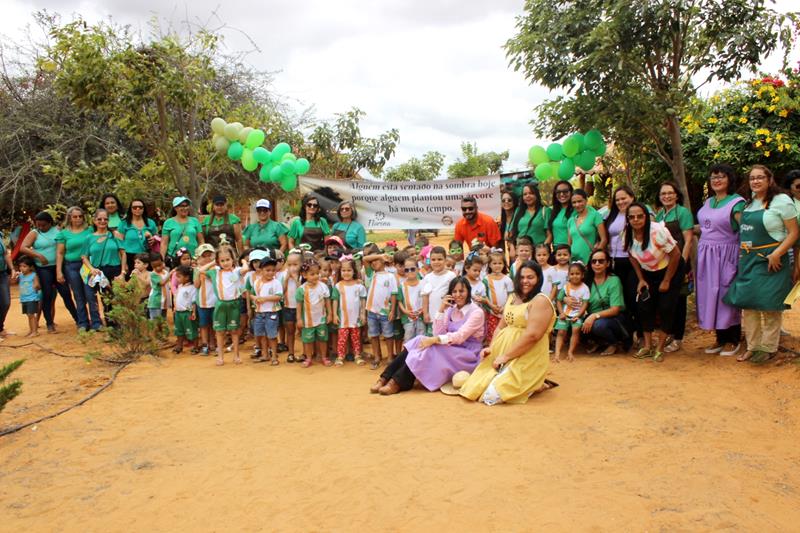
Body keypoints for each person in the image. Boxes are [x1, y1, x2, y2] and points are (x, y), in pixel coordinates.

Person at [724, 165, 799, 362]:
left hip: (773, 259)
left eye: (760, 177)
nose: (755, 181)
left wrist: (777, 253)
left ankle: (768, 347)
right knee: (749, 304)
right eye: (752, 178)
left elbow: (794, 233)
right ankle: (752, 346)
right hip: (749, 260)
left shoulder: (782, 201)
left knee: (770, 304)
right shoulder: (749, 203)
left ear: (769, 180)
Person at [459, 261, 556, 405]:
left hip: (527, 355)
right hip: (503, 351)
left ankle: (535, 385)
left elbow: (533, 336)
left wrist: (505, 357)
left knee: (490, 397)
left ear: (538, 279)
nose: (525, 281)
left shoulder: (540, 301)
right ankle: (532, 383)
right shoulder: (513, 297)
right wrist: (491, 348)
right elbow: (500, 326)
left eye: (530, 277)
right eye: (522, 277)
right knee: (474, 388)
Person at [371, 276, 485, 395]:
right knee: (418, 340)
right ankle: (385, 377)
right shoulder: (451, 309)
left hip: (467, 353)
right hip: (452, 347)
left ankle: (397, 382)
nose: (458, 295)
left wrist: (434, 340)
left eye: (461, 291)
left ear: (468, 291)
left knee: (431, 348)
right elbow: (439, 333)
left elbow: (460, 336)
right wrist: (441, 309)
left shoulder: (477, 312)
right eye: (454, 291)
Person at [696, 164, 746, 356]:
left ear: (729, 179)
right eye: (713, 177)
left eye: (721, 177)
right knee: (711, 295)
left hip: (726, 255)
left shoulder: (737, 203)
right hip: (707, 256)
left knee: (726, 294)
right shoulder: (709, 202)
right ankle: (720, 338)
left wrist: (743, 254)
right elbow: (704, 227)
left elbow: (744, 229)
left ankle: (733, 339)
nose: (717, 180)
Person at [625, 202, 682, 362]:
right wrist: (641, 279)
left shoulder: (657, 232)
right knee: (644, 306)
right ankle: (648, 346)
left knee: (666, 307)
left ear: (646, 216)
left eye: (640, 216)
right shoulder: (627, 235)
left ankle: (660, 348)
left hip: (670, 268)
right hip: (648, 272)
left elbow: (676, 254)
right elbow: (631, 256)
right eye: (632, 217)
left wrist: (667, 280)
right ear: (628, 219)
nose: (636, 220)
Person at [20, 211, 78, 332]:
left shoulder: (58, 230)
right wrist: (38, 255)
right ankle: (49, 323)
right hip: (43, 269)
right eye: (38, 225)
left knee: (66, 293)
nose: (41, 227)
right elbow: (23, 247)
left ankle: (78, 320)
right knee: (47, 295)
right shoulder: (34, 233)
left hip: (58, 267)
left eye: (44, 225)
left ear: (50, 223)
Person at [654, 181, 695, 353]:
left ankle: (678, 338)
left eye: (670, 193)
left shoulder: (683, 213)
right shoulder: (659, 215)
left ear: (677, 195)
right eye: (663, 194)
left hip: (679, 263)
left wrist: (682, 265)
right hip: (663, 264)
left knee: (679, 301)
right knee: (667, 301)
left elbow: (688, 240)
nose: (667, 196)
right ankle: (669, 333)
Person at [199, 245, 246, 366]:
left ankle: (236, 355)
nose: (225, 263)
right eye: (222, 260)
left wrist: (244, 262)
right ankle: (220, 356)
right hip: (221, 305)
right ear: (218, 261)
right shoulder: (215, 272)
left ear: (232, 259)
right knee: (220, 331)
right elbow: (201, 270)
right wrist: (213, 263)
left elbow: (245, 269)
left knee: (234, 330)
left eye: (228, 259)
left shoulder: (236, 271)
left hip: (234, 304)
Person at [604, 185, 640, 337]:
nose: (620, 202)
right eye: (617, 200)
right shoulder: (611, 215)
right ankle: (625, 334)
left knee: (633, 297)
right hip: (614, 261)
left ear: (632, 197)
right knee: (620, 299)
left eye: (624, 198)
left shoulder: (638, 213)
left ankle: (639, 332)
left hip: (633, 261)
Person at [580, 249, 631, 355]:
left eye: (601, 261)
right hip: (592, 317)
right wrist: (566, 299)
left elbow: (615, 310)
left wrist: (594, 316)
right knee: (575, 323)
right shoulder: (587, 280)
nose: (597, 264)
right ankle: (600, 342)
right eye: (594, 261)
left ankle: (614, 343)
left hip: (612, 319)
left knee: (599, 325)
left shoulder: (614, 280)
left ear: (608, 263)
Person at [56, 206, 98, 331]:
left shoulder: (89, 230)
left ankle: (96, 322)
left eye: (80, 216)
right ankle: (83, 323)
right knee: (78, 295)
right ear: (69, 218)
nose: (78, 219)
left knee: (90, 294)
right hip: (71, 266)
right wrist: (59, 271)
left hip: (87, 266)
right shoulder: (64, 233)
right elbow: (60, 253)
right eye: (75, 216)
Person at [81, 209, 126, 326]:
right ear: (94, 221)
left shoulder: (114, 235)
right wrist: (91, 269)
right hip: (100, 272)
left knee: (118, 297)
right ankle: (111, 326)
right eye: (99, 219)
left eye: (105, 219)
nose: (102, 221)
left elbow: (123, 253)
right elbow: (84, 256)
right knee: (106, 299)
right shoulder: (89, 238)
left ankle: (121, 324)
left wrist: (123, 272)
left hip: (115, 269)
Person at [362, 244, 398, 369]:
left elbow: (394, 294)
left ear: (383, 260)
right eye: (372, 261)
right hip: (372, 311)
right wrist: (379, 256)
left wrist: (392, 310)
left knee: (388, 335)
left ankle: (390, 357)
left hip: (385, 312)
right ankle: (377, 357)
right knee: (374, 335)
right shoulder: (371, 274)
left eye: (376, 260)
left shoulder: (390, 276)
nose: (373, 262)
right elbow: (364, 259)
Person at [295, 259, 332, 367]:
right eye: (312, 274)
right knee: (308, 341)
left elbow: (327, 301)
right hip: (307, 321)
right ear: (304, 275)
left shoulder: (323, 286)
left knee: (323, 339)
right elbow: (299, 305)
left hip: (321, 319)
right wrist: (299, 319)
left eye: (317, 273)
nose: (315, 276)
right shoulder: (301, 290)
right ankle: (308, 358)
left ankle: (324, 357)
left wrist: (330, 314)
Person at [332, 257, 367, 366]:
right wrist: (334, 314)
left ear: (354, 271)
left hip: (356, 318)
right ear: (340, 272)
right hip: (343, 319)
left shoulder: (359, 286)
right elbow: (335, 301)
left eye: (349, 270)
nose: (346, 273)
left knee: (356, 338)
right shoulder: (338, 286)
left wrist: (363, 314)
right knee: (342, 339)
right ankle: (340, 356)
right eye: (343, 270)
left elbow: (363, 300)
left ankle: (357, 355)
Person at [248, 257, 283, 365]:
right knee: (262, 335)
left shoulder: (276, 283)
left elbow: (279, 297)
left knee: (272, 335)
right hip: (259, 312)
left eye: (273, 270)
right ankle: (265, 354)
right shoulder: (257, 282)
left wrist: (265, 298)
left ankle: (274, 356)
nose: (270, 272)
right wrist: (255, 298)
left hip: (272, 313)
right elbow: (251, 294)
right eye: (267, 270)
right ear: (261, 270)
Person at [554, 262, 590, 363]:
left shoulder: (585, 288)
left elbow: (585, 304)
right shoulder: (566, 287)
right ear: (568, 275)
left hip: (578, 314)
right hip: (565, 314)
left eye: (577, 274)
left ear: (582, 275)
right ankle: (557, 354)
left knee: (575, 330)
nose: (574, 276)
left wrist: (578, 315)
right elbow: (558, 300)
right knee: (561, 332)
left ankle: (570, 352)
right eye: (572, 274)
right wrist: (561, 313)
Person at [116, 198, 158, 279]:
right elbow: (120, 245)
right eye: (134, 207)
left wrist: (153, 239)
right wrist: (124, 264)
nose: (137, 209)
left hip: (146, 257)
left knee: (146, 282)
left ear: (144, 209)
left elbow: (156, 238)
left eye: (140, 207)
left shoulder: (150, 223)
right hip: (129, 257)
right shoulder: (124, 223)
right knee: (131, 282)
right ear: (130, 209)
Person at [420, 246, 457, 336]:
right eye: (433, 260)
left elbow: (455, 294)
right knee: (432, 339)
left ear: (445, 260)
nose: (436, 262)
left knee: (446, 339)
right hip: (433, 316)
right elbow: (425, 297)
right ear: (430, 261)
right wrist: (425, 313)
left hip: (448, 316)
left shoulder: (451, 276)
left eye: (439, 259)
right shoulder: (427, 277)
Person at [567, 189, 607, 264]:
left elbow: (604, 239)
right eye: (574, 202)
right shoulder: (571, 220)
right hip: (574, 261)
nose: (577, 205)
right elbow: (569, 243)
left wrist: (595, 257)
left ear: (586, 200)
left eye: (580, 201)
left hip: (589, 260)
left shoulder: (595, 216)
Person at [161, 196, 204, 263]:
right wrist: (162, 260)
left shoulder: (195, 221)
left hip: (193, 259)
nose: (185, 208)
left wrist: (200, 257)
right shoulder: (168, 222)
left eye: (186, 205)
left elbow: (201, 241)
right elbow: (164, 244)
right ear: (175, 208)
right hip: (174, 259)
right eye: (182, 206)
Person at [483, 249, 513, 344]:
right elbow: (484, 295)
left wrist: (504, 307)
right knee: (492, 332)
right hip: (491, 312)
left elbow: (511, 295)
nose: (497, 265)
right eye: (494, 263)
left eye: (500, 263)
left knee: (504, 332)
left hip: (505, 311)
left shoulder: (507, 279)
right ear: (490, 265)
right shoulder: (486, 279)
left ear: (504, 264)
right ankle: (492, 349)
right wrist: (491, 306)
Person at [193, 244, 217, 356]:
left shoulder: (216, 269)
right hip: (202, 302)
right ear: (198, 259)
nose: (207, 258)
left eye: (209, 255)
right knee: (203, 325)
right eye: (204, 256)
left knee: (213, 324)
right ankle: (204, 345)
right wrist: (199, 273)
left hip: (215, 302)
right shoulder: (197, 270)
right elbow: (196, 285)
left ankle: (213, 343)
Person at [172, 265, 198, 354]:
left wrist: (194, 312)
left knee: (192, 329)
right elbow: (177, 297)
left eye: (179, 276)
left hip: (188, 312)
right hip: (178, 312)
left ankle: (195, 346)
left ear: (187, 277)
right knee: (179, 330)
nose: (177, 278)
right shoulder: (180, 286)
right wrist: (175, 307)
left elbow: (194, 301)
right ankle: (179, 346)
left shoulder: (192, 288)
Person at [16, 256, 41, 337]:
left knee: (31, 315)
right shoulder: (21, 276)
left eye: (24, 266)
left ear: (30, 267)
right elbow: (13, 281)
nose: (22, 268)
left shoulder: (34, 275)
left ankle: (35, 331)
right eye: (20, 266)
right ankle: (32, 330)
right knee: (29, 315)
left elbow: (37, 285)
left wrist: (36, 286)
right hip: (24, 298)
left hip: (32, 298)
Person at [548, 180, 574, 249]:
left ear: (571, 192)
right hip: (557, 251)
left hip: (572, 249)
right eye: (558, 192)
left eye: (565, 191)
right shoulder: (553, 211)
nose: (562, 194)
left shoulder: (576, 210)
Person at [0, 226, 16, 339]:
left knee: (5, 302)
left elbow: (5, 253)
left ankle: (0, 328)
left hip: (2, 273)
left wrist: (12, 269)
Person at [146, 254, 170, 320]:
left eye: (159, 265)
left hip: (164, 302)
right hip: (155, 302)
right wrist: (170, 274)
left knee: (163, 321)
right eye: (154, 266)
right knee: (155, 322)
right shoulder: (153, 274)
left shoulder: (165, 272)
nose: (157, 268)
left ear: (163, 262)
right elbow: (162, 283)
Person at [498, 190, 519, 261]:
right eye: (503, 200)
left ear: (514, 201)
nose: (506, 202)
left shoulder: (520, 217)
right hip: (509, 254)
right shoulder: (500, 220)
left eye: (509, 200)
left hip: (521, 252)